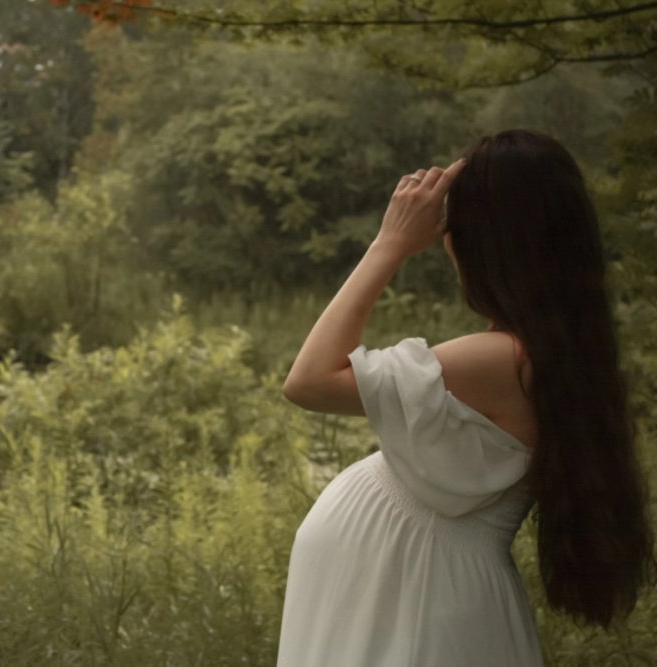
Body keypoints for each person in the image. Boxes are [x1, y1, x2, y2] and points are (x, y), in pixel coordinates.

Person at [276, 130, 655, 666]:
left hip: (419, 596)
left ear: (480, 241)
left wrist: (390, 243)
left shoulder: (500, 359)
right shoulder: (555, 356)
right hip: (424, 590)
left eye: (453, 224)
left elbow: (308, 381)